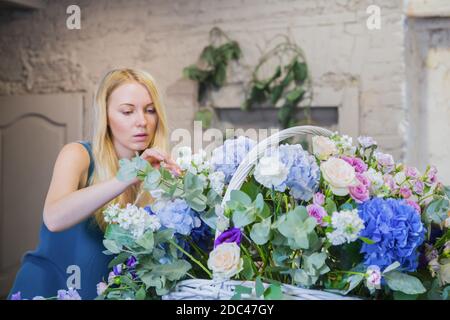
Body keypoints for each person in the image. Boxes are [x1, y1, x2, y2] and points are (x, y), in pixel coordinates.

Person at [8, 68, 181, 300]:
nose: (142, 121)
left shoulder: (156, 174)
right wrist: (127, 176)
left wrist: (180, 192)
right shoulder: (78, 155)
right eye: (127, 111)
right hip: (44, 290)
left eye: (150, 110)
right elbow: (54, 218)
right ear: (106, 116)